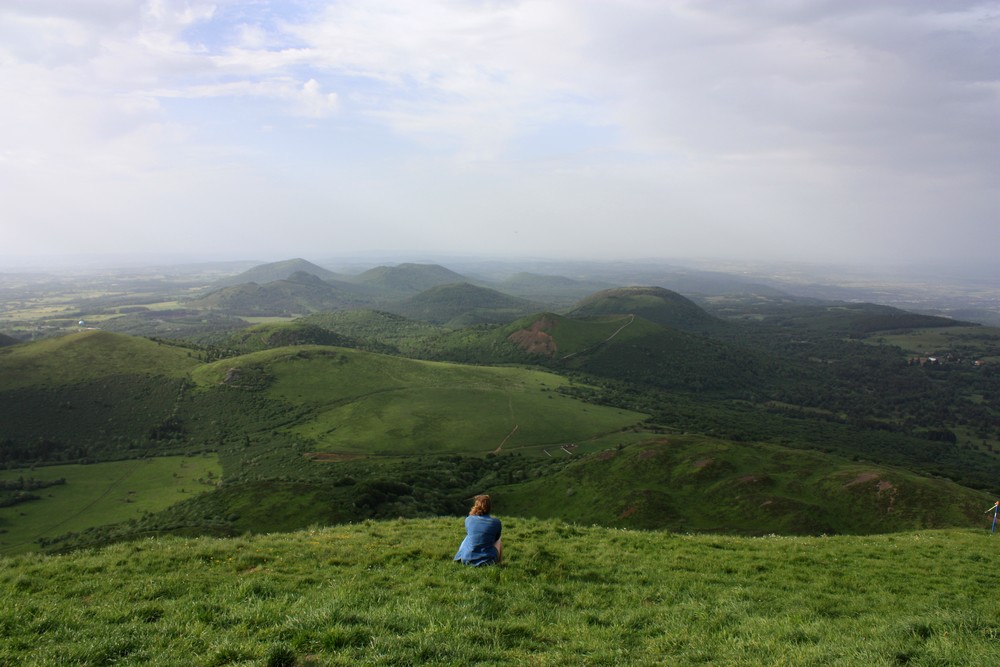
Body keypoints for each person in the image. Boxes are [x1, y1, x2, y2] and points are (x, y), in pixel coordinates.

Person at [453, 494, 503, 566]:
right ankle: (499, 563)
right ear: (489, 507)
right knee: (499, 539)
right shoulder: (496, 522)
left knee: (468, 536)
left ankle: (460, 556)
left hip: (466, 559)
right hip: (487, 561)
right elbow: (496, 538)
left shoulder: (468, 519)